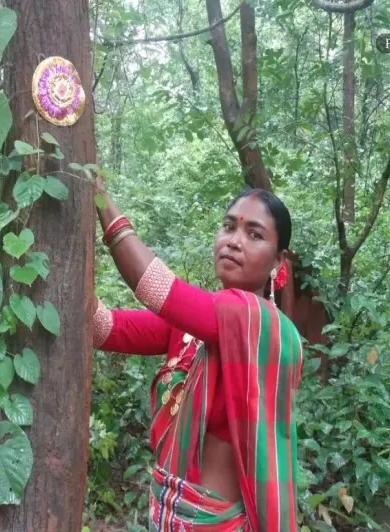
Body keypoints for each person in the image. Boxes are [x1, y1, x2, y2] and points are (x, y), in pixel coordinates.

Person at [92, 176, 304, 531]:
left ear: (278, 262)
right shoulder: (197, 326)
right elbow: (103, 328)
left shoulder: (262, 324)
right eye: (228, 227)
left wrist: (99, 197)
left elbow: (155, 288)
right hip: (165, 515)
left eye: (254, 234)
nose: (234, 241)